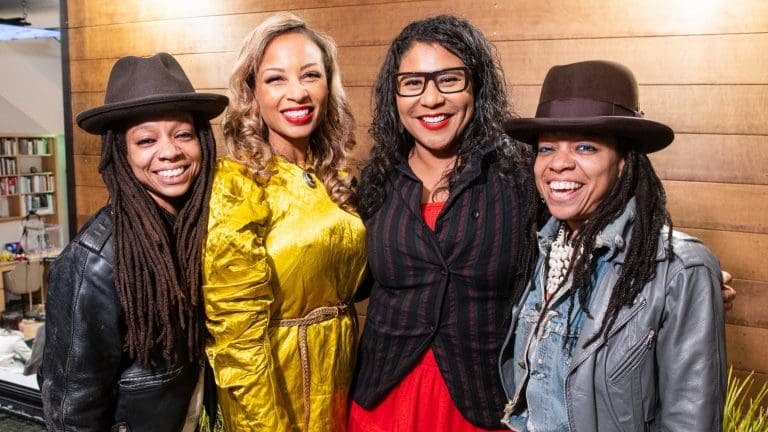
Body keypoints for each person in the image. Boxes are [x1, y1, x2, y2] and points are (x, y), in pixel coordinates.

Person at [498, 60, 726, 431]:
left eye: (585, 147)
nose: (559, 164)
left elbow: (690, 421)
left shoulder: (680, 269)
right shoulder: (543, 249)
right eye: (546, 148)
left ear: (623, 162)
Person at [350, 15, 535, 431]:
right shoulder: (376, 182)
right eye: (412, 83)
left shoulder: (521, 175)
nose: (430, 99)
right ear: (394, 94)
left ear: (476, 86)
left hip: (483, 403)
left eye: (449, 80)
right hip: (382, 402)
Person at [41, 52, 227, 431]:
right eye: (146, 140)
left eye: (183, 134)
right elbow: (71, 414)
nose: (169, 151)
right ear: (122, 153)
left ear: (202, 141)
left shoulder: (204, 231)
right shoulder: (93, 263)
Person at [201, 13, 367, 431]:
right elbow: (236, 338)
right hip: (276, 392)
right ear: (252, 92)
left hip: (340, 385)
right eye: (276, 79)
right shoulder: (235, 184)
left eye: (310, 75)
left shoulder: (334, 178)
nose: (298, 92)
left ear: (328, 85)